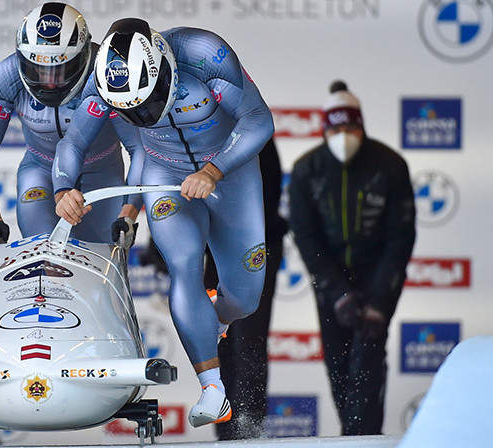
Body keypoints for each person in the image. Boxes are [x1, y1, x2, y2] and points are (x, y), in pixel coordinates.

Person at [54, 19, 274, 427]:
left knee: (245, 299)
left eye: (148, 102)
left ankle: (215, 316)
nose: (142, 114)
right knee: (184, 263)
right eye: (130, 110)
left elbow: (258, 120)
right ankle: (213, 389)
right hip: (163, 174)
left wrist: (213, 170)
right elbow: (73, 141)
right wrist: (62, 188)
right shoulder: (104, 80)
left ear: (163, 67)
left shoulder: (205, 54)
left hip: (230, 175)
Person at [288, 81, 416, 435]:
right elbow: (307, 238)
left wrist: (379, 301)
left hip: (378, 277)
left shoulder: (390, 165)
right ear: (324, 129)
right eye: (336, 128)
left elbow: (400, 237)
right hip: (330, 281)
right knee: (338, 363)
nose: (343, 135)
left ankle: (362, 439)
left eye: (350, 127)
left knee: (368, 358)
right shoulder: (305, 170)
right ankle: (352, 437)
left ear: (362, 126)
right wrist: (337, 292)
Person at [0, 2, 144, 247]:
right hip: (39, 172)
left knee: (98, 267)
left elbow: (140, 148)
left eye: (59, 70)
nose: (49, 83)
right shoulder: (5, 78)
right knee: (44, 256)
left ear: (83, 58)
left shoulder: (107, 73)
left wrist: (128, 214)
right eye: (38, 70)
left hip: (102, 176)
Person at [216, 138, 287, 440]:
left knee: (249, 342)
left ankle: (249, 427)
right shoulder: (192, 131)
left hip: (256, 249)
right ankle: (225, 431)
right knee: (218, 344)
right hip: (211, 253)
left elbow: (267, 196)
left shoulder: (256, 133)